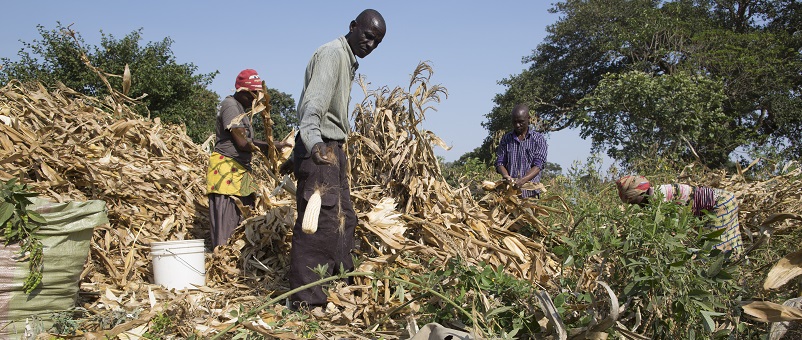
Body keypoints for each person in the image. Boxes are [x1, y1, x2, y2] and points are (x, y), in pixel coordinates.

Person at [286, 9, 386, 308]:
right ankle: (306, 302)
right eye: (368, 36)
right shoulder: (333, 55)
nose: (370, 45)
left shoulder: (348, 60)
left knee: (345, 220)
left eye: (377, 42)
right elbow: (313, 106)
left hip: (333, 150)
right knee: (319, 226)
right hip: (323, 150)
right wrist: (314, 145)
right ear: (353, 27)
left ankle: (339, 288)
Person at [206, 69, 290, 248]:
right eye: (252, 94)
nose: (255, 99)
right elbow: (243, 144)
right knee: (227, 229)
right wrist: (273, 145)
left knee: (244, 220)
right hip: (227, 172)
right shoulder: (230, 105)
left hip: (241, 171)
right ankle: (222, 263)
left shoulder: (241, 110)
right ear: (242, 91)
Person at [615, 175, 743, 257]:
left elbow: (672, 228)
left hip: (719, 203)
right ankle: (742, 269)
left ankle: (734, 277)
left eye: (633, 201)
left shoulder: (657, 198)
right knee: (730, 239)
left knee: (715, 249)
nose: (636, 205)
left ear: (639, 195)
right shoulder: (656, 194)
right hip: (724, 199)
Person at [495, 104, 548, 198]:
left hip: (530, 195)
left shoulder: (538, 139)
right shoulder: (506, 139)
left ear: (528, 119)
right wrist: (506, 176)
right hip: (510, 195)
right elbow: (500, 162)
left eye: (521, 122)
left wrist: (523, 180)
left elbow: (538, 165)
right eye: (514, 122)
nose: (517, 125)